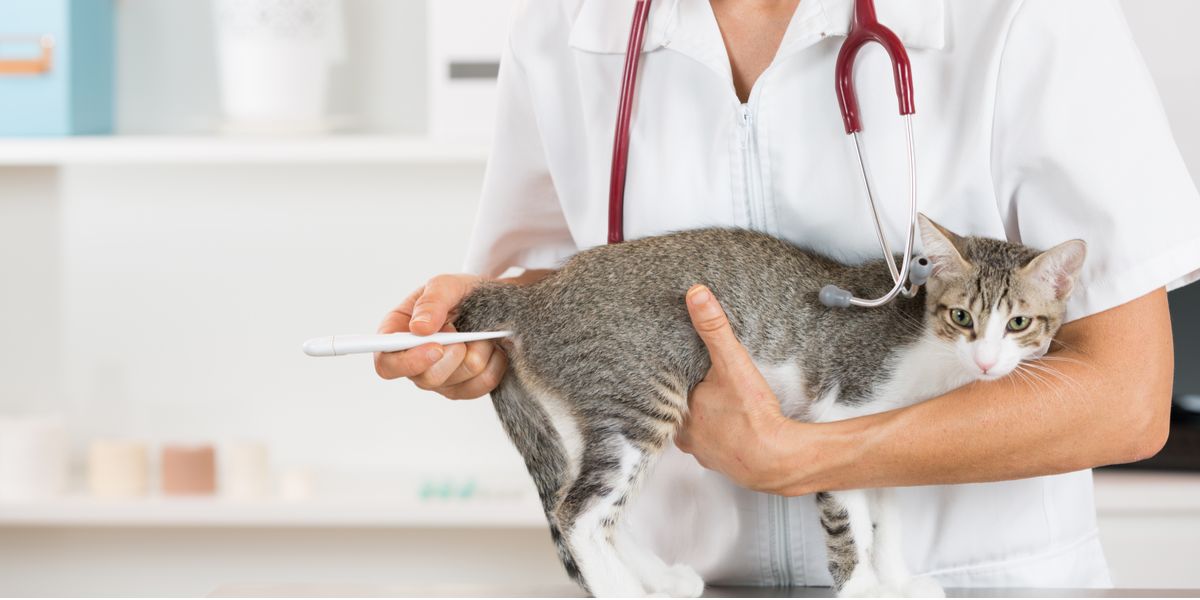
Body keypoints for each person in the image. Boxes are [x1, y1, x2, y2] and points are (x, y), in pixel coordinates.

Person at [376, 0, 1200, 588]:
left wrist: (804, 456)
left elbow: (1128, 401)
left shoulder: (1031, 15)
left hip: (967, 581)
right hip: (688, 576)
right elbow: (559, 288)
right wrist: (477, 326)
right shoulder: (567, 27)